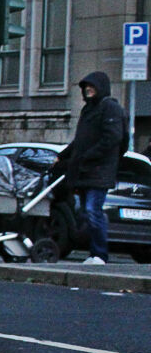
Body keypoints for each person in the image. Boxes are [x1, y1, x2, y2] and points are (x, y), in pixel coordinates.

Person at [58, 71, 126, 265]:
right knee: (87, 213)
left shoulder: (110, 108)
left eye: (92, 86)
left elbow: (113, 139)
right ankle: (95, 253)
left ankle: (100, 254)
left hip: (98, 172)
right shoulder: (88, 110)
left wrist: (90, 157)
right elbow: (79, 142)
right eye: (86, 87)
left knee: (92, 211)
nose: (88, 90)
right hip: (86, 172)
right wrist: (63, 156)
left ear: (100, 88)